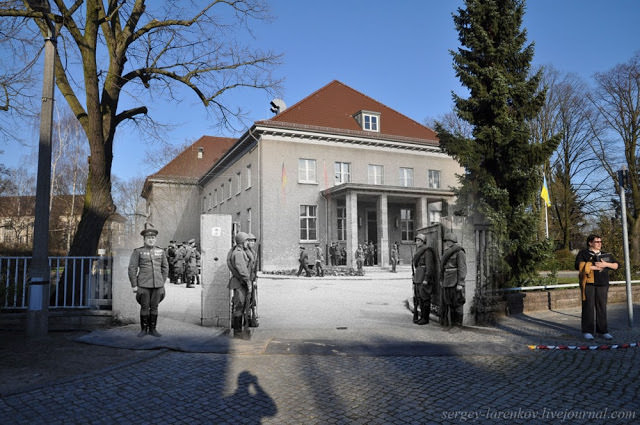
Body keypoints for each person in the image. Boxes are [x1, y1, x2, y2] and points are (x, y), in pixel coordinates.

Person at [575, 234, 619, 340]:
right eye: (597, 242)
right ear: (590, 243)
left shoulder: (605, 254)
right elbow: (578, 266)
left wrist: (606, 265)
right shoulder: (583, 253)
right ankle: (587, 331)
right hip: (589, 283)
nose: (600, 244)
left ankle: (602, 331)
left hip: (603, 283)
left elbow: (616, 265)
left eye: (600, 242)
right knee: (588, 307)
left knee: (601, 307)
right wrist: (594, 267)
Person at [128, 223, 168, 337]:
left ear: (155, 239)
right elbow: (132, 268)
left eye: (153, 238)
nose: (151, 240)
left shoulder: (161, 251)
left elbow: (165, 267)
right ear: (144, 239)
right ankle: (143, 329)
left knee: (155, 308)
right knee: (144, 307)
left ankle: (153, 329)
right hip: (144, 285)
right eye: (148, 238)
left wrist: (162, 281)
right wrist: (134, 285)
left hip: (158, 285)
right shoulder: (138, 252)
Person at [227, 232, 254, 337]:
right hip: (240, 282)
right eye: (247, 240)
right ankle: (237, 332)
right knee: (239, 307)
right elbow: (242, 269)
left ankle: (240, 330)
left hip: (241, 282)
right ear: (242, 242)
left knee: (242, 306)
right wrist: (248, 281)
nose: (248, 242)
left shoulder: (242, 251)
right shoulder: (238, 253)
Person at [440, 232, 467, 328]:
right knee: (450, 303)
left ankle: (458, 326)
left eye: (448, 241)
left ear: (453, 241)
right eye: (446, 241)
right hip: (448, 281)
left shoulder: (459, 252)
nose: (446, 243)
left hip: (456, 281)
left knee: (458, 304)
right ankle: (452, 324)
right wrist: (442, 280)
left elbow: (462, 268)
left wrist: (460, 282)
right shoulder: (447, 252)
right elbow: (443, 268)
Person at [412, 233, 438, 325]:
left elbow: (429, 266)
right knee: (420, 298)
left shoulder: (427, 251)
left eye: (419, 241)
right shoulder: (419, 251)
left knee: (425, 298)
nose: (417, 242)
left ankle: (425, 318)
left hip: (424, 277)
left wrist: (426, 279)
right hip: (418, 277)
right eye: (416, 240)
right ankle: (421, 317)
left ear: (423, 242)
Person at [246, 233, 259, 327]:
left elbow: (255, 268)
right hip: (246, 279)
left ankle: (251, 318)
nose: (252, 243)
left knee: (252, 300)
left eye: (253, 241)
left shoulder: (253, 252)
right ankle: (246, 321)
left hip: (252, 278)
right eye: (250, 241)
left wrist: (254, 279)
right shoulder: (245, 252)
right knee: (246, 301)